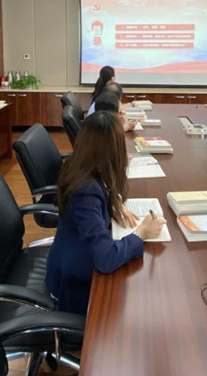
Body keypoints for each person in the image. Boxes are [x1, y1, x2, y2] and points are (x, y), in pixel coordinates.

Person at [46, 111, 166, 315]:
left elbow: (100, 192)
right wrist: (141, 233)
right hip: (74, 285)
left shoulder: (81, 167)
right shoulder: (86, 192)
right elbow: (105, 258)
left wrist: (114, 203)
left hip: (75, 260)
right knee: (141, 303)